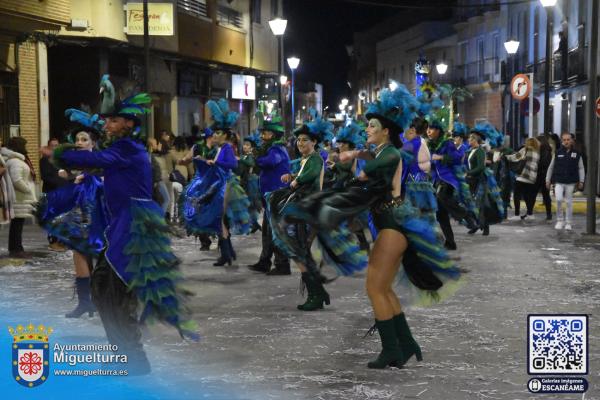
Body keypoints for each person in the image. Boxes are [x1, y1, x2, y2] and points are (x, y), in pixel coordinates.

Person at [281, 83, 462, 368]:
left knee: (375, 288)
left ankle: (393, 348)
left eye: (372, 125)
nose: (367, 129)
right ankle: (405, 344)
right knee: (383, 288)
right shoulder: (383, 152)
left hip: (393, 225)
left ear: (386, 130)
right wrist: (352, 156)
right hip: (390, 223)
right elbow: (368, 159)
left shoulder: (389, 154)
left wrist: (345, 178)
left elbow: (367, 176)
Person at [55, 91, 197, 374]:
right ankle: (128, 355)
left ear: (130, 124)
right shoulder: (122, 150)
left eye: (114, 120)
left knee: (113, 287)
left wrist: (61, 152)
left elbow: (89, 159)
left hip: (135, 223)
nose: (108, 124)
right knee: (105, 286)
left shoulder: (128, 149)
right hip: (125, 221)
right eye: (107, 120)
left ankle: (133, 360)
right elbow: (97, 165)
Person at [36, 110, 108, 318]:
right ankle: (85, 302)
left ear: (93, 143)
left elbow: (104, 180)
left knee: (99, 254)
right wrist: (70, 177)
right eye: (77, 139)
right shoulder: (75, 160)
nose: (80, 142)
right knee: (78, 253)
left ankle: (101, 300)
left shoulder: (99, 159)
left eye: (84, 139)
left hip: (98, 211)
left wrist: (87, 179)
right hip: (79, 210)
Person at [247, 117, 292, 275]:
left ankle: (282, 264)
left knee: (276, 231)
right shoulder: (272, 148)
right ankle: (264, 261)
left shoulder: (277, 149)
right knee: (267, 231)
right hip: (270, 197)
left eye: (264, 133)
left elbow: (269, 162)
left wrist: (256, 157)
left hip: (277, 197)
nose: (261, 136)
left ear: (272, 134)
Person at [427, 121, 478, 250]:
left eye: (431, 128)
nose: (428, 131)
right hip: (435, 180)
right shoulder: (429, 145)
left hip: (447, 179)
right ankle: (450, 242)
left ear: (438, 131)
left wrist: (440, 157)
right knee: (440, 214)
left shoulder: (447, 143)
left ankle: (467, 215)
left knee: (442, 196)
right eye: (427, 129)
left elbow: (457, 158)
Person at [4, 137, 37, 258]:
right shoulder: (16, 161)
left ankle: (17, 248)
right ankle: (16, 250)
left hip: (20, 197)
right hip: (20, 198)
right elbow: (16, 180)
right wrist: (28, 189)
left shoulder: (15, 160)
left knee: (17, 224)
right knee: (17, 225)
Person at [546, 132, 585, 231]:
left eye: (568, 139)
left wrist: (581, 181)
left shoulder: (577, 154)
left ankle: (568, 222)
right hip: (559, 181)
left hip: (571, 182)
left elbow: (581, 168)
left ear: (572, 140)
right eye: (564, 140)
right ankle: (559, 220)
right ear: (562, 141)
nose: (566, 141)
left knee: (568, 202)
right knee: (558, 199)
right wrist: (548, 180)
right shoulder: (558, 153)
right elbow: (551, 167)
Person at [40, 138, 69, 251]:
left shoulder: (62, 160)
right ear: (48, 147)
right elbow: (46, 176)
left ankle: (61, 240)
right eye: (52, 145)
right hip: (51, 192)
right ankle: (53, 241)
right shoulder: (45, 160)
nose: (55, 147)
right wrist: (60, 182)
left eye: (57, 145)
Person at [506, 137, 540, 221]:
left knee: (516, 195)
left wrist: (505, 156)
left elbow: (514, 157)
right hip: (532, 177)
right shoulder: (537, 153)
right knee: (527, 196)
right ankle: (530, 214)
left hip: (523, 176)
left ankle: (517, 214)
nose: (525, 144)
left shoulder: (526, 150)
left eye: (526, 142)